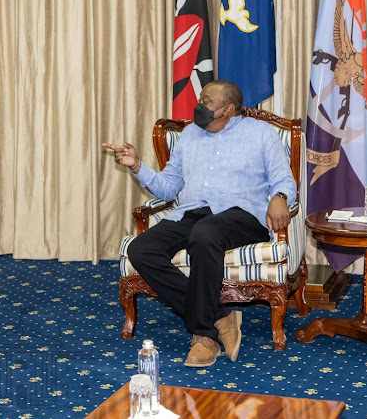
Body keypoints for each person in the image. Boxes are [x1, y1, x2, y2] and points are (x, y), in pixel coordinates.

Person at [103, 80, 296, 368]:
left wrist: (280, 196)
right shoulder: (190, 135)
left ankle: (203, 335)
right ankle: (219, 316)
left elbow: (284, 179)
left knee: (204, 235)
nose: (198, 106)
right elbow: (168, 188)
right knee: (142, 249)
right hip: (192, 212)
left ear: (228, 109)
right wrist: (136, 165)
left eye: (207, 102)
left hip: (242, 214)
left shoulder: (260, 133)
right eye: (200, 99)